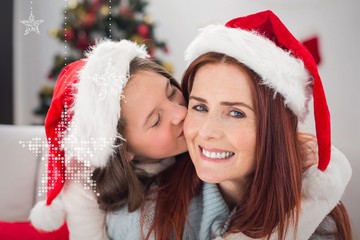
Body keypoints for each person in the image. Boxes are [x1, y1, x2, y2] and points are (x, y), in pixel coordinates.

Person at [107, 10, 352, 240]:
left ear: (274, 128)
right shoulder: (145, 219)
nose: (206, 131)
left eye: (236, 113)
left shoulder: (319, 228)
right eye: (200, 107)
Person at [23, 39, 188, 239]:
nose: (181, 112)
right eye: (156, 120)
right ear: (124, 150)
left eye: (171, 92)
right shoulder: (84, 181)